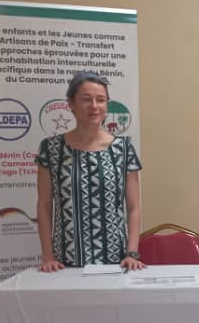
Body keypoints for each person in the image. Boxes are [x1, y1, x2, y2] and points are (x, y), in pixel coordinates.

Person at [35, 71, 146, 272]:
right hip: (64, 262)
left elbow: (133, 208)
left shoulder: (123, 149)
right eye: (86, 99)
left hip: (116, 261)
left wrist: (132, 253)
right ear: (71, 103)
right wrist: (48, 256)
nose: (94, 106)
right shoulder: (51, 149)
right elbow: (44, 206)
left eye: (100, 100)